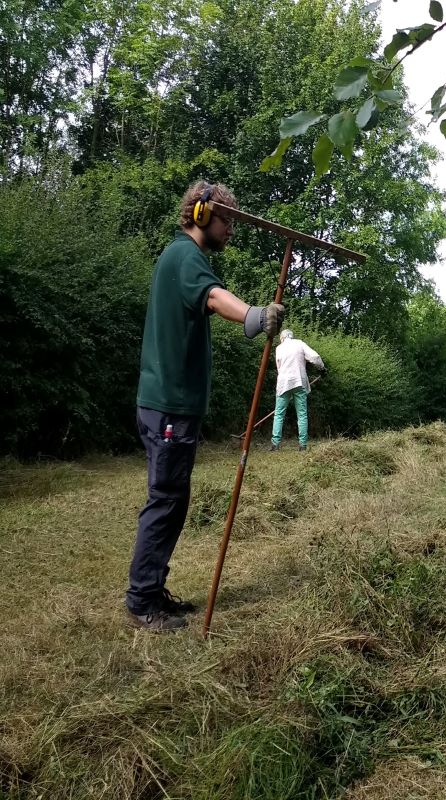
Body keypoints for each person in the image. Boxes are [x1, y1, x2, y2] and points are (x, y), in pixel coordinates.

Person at [126, 180, 285, 632]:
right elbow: (214, 298)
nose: (230, 230)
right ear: (201, 215)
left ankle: (151, 590)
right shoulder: (185, 257)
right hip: (169, 406)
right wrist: (256, 315)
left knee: (173, 499)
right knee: (166, 500)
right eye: (226, 220)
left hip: (172, 405)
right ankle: (142, 602)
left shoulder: (182, 257)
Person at [270, 329, 325, 451]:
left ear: (282, 338)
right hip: (299, 382)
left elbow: (279, 368)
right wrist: (322, 368)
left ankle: (275, 444)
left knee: (279, 414)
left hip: (283, 383)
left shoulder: (279, 348)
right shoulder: (299, 343)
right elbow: (315, 357)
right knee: (302, 415)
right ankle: (302, 445)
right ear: (291, 336)